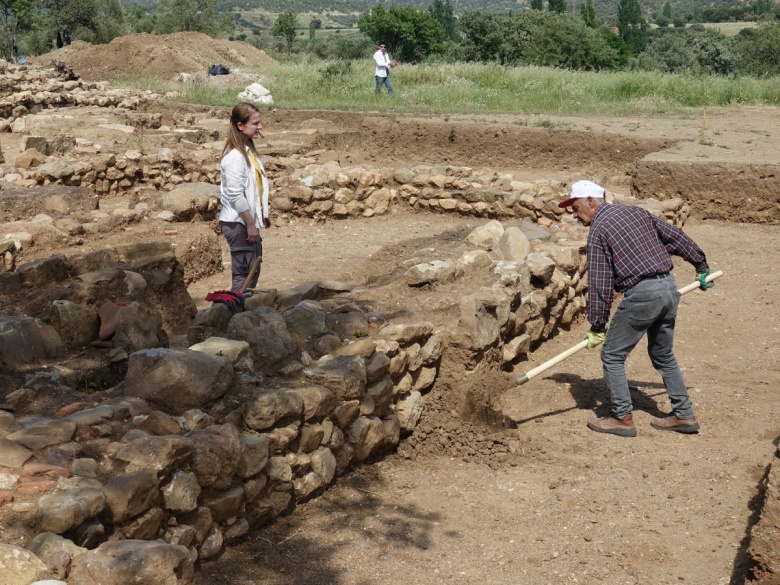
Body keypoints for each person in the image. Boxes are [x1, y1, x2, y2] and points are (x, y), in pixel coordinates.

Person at [559, 180, 714, 437]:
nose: (574, 215)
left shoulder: (599, 229)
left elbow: (600, 281)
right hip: (668, 288)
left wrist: (598, 325)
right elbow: (675, 237)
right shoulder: (635, 212)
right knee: (662, 354)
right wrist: (701, 266)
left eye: (575, 208)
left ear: (590, 201)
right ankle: (684, 415)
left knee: (612, 354)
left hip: (643, 295)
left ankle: (621, 417)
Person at [219, 102, 270, 293]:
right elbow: (235, 194)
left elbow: (254, 186)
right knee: (243, 276)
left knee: (252, 271)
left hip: (246, 220)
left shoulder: (248, 151)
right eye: (255, 123)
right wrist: (250, 224)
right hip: (238, 222)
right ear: (240, 126)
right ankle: (234, 316)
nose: (260, 127)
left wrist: (262, 213)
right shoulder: (235, 157)